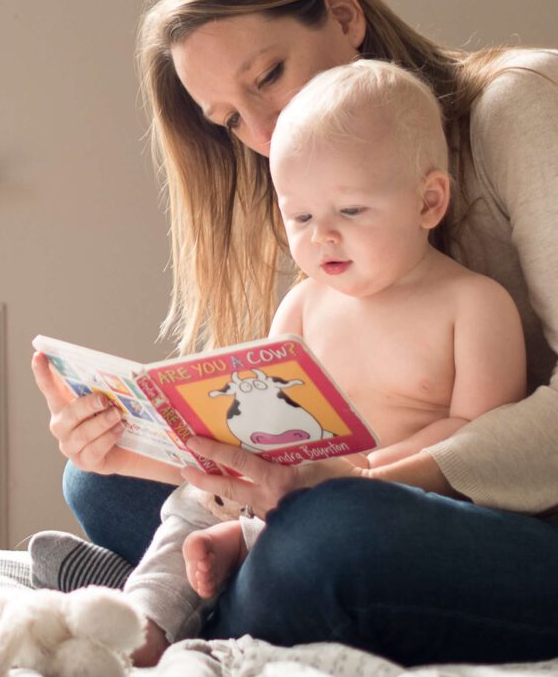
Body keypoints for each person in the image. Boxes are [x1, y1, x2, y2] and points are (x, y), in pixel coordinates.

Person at [30, 0, 558, 667]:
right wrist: (151, 437)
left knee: (329, 534)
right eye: (229, 121)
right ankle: (177, 593)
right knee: (98, 477)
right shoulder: (334, 190)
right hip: (426, 505)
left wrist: (347, 484)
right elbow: (317, 428)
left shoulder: (527, 106)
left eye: (270, 75)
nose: (264, 130)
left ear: (345, 16)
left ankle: (164, 610)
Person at [135, 57, 526, 642]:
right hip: (283, 494)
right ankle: (143, 619)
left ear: (428, 203)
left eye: (350, 210)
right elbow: (262, 418)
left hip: (391, 508)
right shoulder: (302, 306)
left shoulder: (472, 303)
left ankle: (234, 569)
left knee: (318, 531)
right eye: (301, 215)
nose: (322, 235)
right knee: (186, 506)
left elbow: (482, 435)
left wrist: (360, 473)